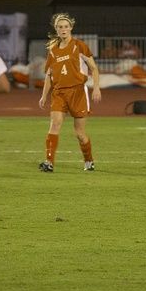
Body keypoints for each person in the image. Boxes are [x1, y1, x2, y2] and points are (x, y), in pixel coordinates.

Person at [38, 13, 102, 172]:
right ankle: (49, 162)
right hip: (59, 93)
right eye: (60, 27)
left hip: (78, 92)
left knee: (79, 133)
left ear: (71, 28)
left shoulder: (79, 46)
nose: (63, 29)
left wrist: (96, 87)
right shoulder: (52, 51)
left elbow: (93, 68)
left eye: (66, 26)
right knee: (54, 125)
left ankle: (89, 160)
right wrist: (44, 95)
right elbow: (49, 75)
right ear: (56, 30)